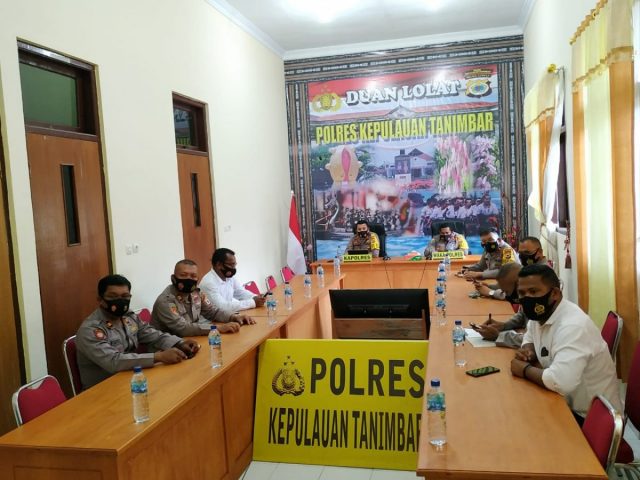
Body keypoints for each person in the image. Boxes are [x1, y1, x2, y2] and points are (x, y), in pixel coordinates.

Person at [510, 265, 622, 422]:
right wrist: (529, 352)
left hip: (589, 419)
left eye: (533, 292)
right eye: (522, 293)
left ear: (555, 293)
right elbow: (529, 336)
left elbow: (561, 382)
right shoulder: (542, 314)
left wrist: (524, 369)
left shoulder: (573, 326)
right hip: (563, 402)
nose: (527, 298)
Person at [76, 274, 200, 390]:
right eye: (113, 296)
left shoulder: (129, 317)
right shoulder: (91, 330)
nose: (120, 301)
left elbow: (153, 335)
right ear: (100, 299)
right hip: (103, 389)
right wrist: (158, 357)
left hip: (132, 379)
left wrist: (179, 343)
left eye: (125, 296)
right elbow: (114, 361)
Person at [152, 259, 254, 336]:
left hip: (190, 340)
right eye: (183, 275)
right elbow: (183, 328)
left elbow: (213, 312)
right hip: (166, 349)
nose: (189, 279)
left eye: (193, 276)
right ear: (173, 278)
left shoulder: (197, 293)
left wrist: (234, 317)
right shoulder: (166, 301)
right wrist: (217, 328)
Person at [475, 236, 547, 299]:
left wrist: (491, 292)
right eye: (520, 253)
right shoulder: (529, 268)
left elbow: (519, 296)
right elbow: (513, 286)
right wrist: (490, 286)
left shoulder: (542, 272)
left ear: (539, 252)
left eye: (527, 252)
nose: (523, 256)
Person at [472, 263, 525, 348]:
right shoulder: (526, 299)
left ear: (519, 285)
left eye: (507, 292)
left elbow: (532, 340)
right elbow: (523, 315)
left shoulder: (538, 303)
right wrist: (504, 325)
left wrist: (498, 336)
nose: (506, 296)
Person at [199, 248, 266, 311]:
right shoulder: (208, 283)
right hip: (213, 318)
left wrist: (255, 297)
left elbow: (240, 292)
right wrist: (253, 302)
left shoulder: (229, 277)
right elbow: (222, 307)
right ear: (219, 265)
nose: (233, 268)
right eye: (231, 265)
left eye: (234, 264)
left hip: (227, 315)